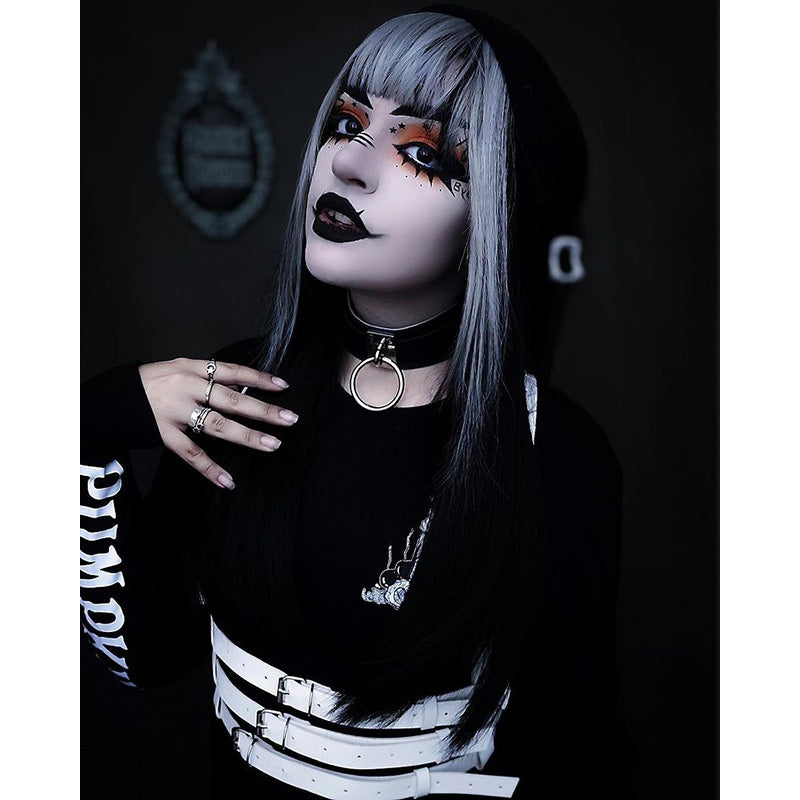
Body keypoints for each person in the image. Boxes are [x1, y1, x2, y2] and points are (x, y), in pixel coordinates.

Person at [81, 7, 636, 798]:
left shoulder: (556, 453)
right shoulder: (236, 392)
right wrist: (91, 419)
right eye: (347, 123)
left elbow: (579, 753)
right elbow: (147, 656)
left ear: (501, 210)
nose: (348, 163)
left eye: (421, 152)